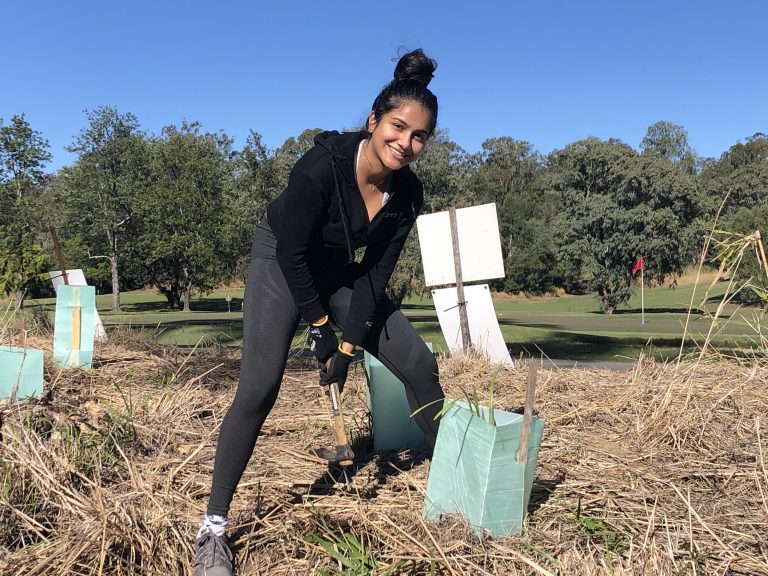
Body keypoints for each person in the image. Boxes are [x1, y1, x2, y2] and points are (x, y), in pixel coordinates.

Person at [194, 49, 445, 576]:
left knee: (420, 364)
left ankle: (454, 485)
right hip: (282, 258)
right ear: (374, 122)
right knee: (259, 387)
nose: (406, 144)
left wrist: (347, 347)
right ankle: (213, 530)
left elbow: (376, 274)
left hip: (337, 270)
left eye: (419, 136)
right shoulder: (322, 165)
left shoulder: (408, 192)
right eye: (397, 128)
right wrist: (319, 327)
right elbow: (291, 252)